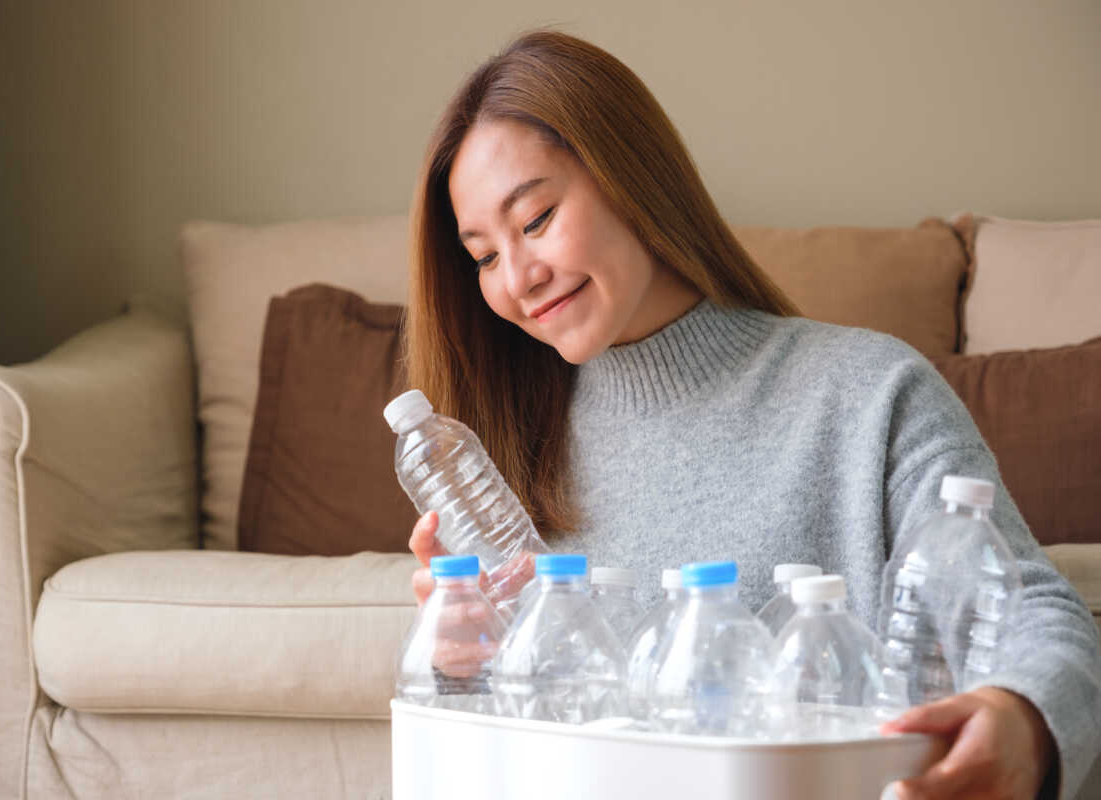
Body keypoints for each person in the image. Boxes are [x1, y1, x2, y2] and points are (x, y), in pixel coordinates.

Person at [403, 30, 1100, 800]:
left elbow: (1039, 614)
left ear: (630, 176)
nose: (518, 280)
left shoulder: (867, 394)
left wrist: (1022, 722)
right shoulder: (505, 455)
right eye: (484, 257)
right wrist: (463, 662)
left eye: (534, 220)